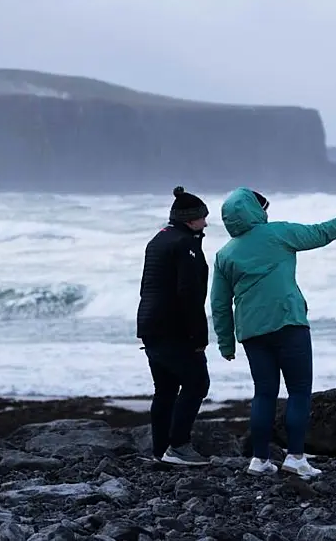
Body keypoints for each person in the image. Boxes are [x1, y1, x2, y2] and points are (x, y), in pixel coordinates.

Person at [210, 187, 336, 478]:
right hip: (288, 323)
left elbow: (219, 304)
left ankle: (259, 460)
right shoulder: (278, 233)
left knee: (264, 394)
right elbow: (322, 232)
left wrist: (226, 343)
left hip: (251, 330)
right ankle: (296, 458)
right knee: (299, 392)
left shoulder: (224, 254)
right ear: (255, 210)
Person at [136, 186, 212, 466]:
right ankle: (179, 446)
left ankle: (160, 450)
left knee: (165, 389)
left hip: (150, 324)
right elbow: (189, 294)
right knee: (197, 383)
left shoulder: (159, 239)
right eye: (202, 218)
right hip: (173, 328)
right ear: (190, 220)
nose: (206, 223)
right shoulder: (185, 244)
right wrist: (199, 336)